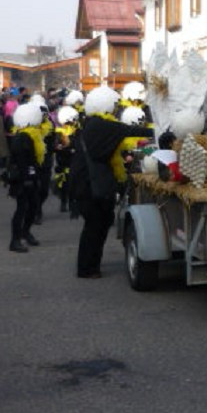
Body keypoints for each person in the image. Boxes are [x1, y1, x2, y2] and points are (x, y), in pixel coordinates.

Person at [70, 86, 153, 279]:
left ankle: (90, 266)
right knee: (95, 226)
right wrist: (157, 130)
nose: (117, 110)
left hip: (85, 184)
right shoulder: (103, 126)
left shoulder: (91, 124)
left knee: (96, 225)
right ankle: (86, 268)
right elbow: (130, 130)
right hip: (91, 186)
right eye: (115, 106)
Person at [6, 103, 45, 252]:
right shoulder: (22, 137)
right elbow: (21, 160)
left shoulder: (31, 135)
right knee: (22, 208)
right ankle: (14, 240)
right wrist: (28, 177)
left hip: (30, 177)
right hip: (22, 179)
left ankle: (26, 232)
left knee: (33, 206)